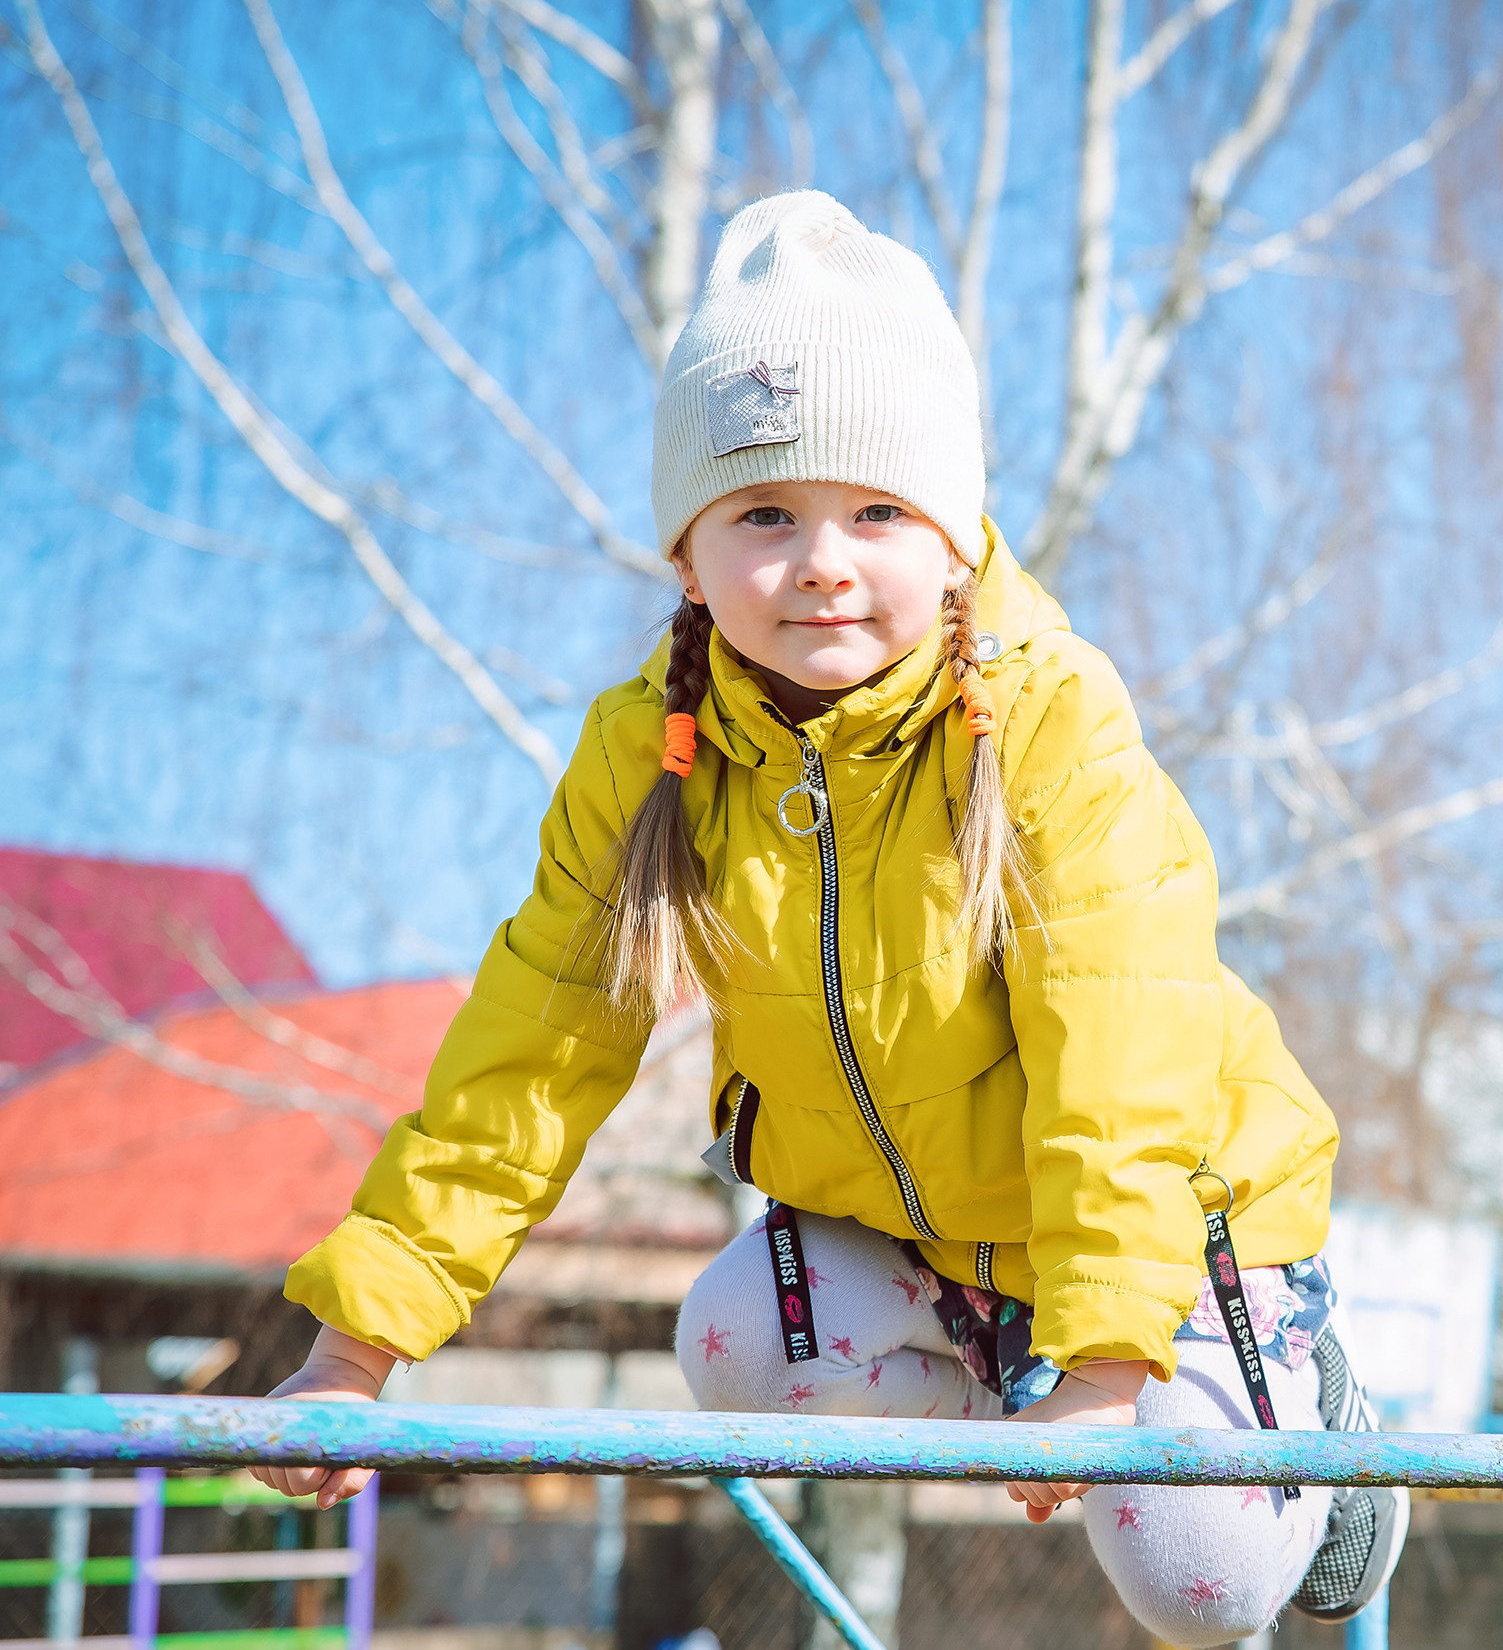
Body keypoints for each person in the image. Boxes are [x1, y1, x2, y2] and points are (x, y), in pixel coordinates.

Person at [246, 190, 1405, 1647]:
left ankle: (1308, 1423)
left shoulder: (1048, 717)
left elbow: (1124, 1051)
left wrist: (1111, 1371)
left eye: (878, 510)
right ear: (689, 552)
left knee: (1199, 1583)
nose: (823, 560)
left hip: (1164, 1220)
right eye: (765, 512)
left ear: (960, 536)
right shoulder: (654, 749)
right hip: (929, 1245)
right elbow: (534, 1045)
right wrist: (358, 1347)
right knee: (725, 1339)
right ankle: (1018, 1378)